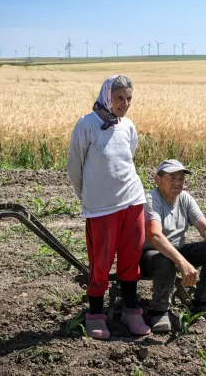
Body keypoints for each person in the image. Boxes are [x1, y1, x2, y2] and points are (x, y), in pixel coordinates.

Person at [66, 75, 151, 340]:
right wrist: (89, 196)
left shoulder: (128, 126)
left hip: (132, 201)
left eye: (128, 99)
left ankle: (130, 310)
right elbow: (74, 167)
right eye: (119, 98)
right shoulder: (87, 124)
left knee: (131, 256)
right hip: (101, 209)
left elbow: (129, 158)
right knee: (100, 262)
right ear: (106, 96)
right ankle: (95, 314)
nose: (124, 104)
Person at [141, 159, 206, 332]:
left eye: (181, 179)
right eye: (172, 177)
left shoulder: (184, 198)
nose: (178, 182)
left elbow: (205, 228)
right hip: (150, 255)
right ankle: (158, 311)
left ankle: (202, 302)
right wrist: (182, 262)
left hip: (177, 250)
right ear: (158, 179)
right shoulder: (151, 199)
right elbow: (154, 236)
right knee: (165, 260)